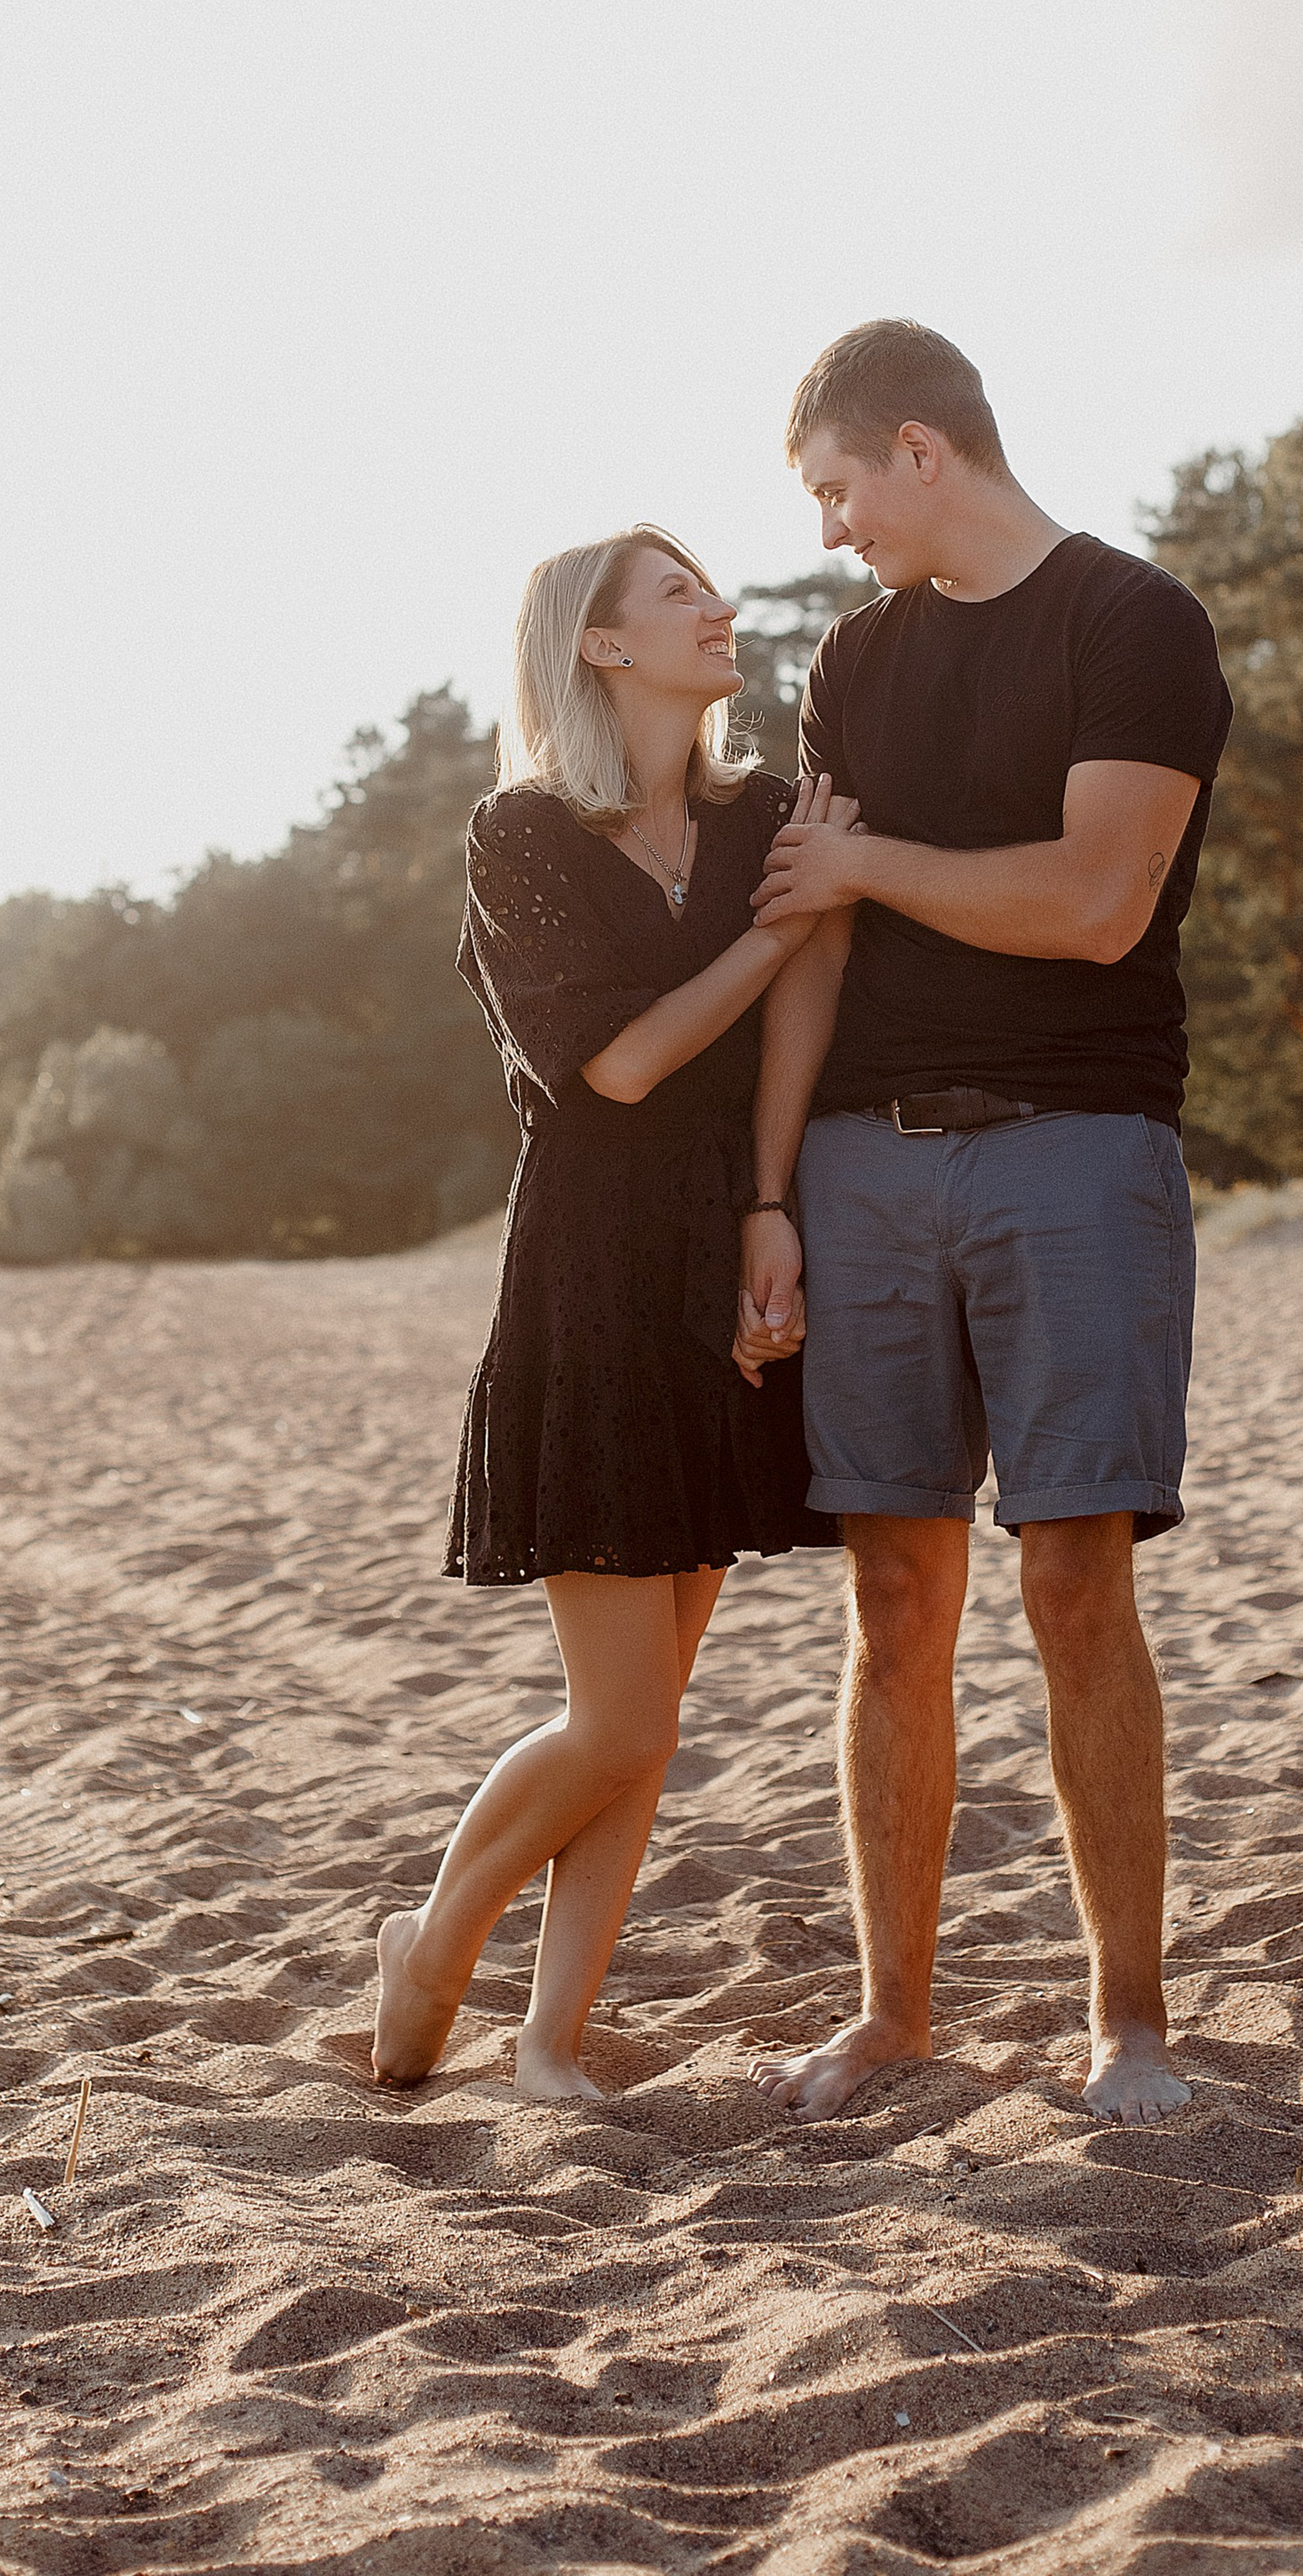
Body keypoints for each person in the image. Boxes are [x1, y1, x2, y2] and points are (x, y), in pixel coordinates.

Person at [739, 323, 1232, 2127]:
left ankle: (1128, 2026)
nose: (830, 530)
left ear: (920, 448)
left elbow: (1098, 903)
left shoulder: (1132, 622)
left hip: (1075, 1150)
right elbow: (815, 936)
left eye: (837, 488)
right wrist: (768, 1193)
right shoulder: (852, 663)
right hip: (861, 1167)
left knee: (1073, 1581)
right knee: (891, 1594)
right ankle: (893, 2016)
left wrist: (870, 863)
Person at [370, 526, 843, 2093]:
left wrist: (770, 1208)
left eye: (710, 587)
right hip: (590, 1275)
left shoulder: (764, 813)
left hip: (726, 1245)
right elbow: (623, 1066)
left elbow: (806, 1004)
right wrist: (779, 925)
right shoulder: (521, 835)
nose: (720, 608)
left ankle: (549, 2038)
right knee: (624, 1721)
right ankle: (433, 1943)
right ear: (600, 644)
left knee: (651, 1705)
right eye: (679, 594)